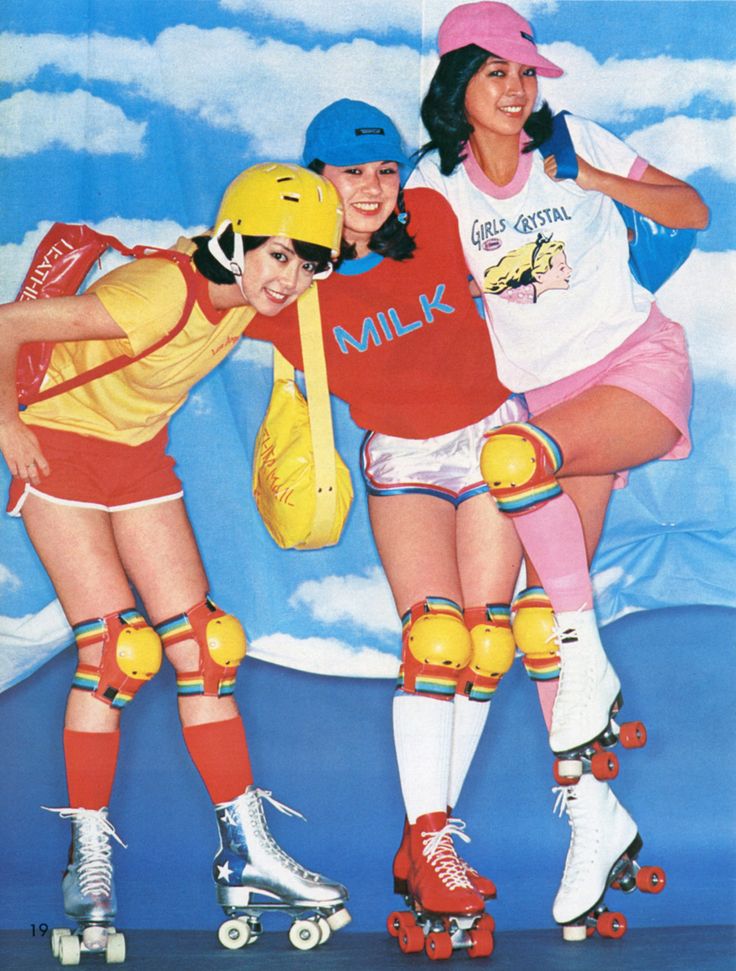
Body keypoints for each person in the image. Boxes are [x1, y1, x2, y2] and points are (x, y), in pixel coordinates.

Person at [409, 0, 708, 936]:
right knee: (508, 627)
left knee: (517, 467)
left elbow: (692, 209)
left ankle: (594, 677)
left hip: (632, 372)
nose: (516, 89)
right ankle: (592, 816)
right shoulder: (436, 186)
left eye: (526, 73)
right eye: (496, 73)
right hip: (536, 405)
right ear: (458, 84)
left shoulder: (577, 139)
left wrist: (601, 181)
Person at [0, 163, 350, 960]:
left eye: (307, 262)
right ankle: (86, 866)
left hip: (135, 456)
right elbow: (6, 323)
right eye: (277, 256)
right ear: (235, 243)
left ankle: (248, 852)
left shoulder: (250, 294)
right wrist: (5, 423)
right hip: (58, 445)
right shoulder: (157, 292)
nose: (289, 278)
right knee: (117, 653)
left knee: (207, 645)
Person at [247, 100, 532, 939]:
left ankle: (425, 846)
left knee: (489, 643)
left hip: (492, 437)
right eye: (349, 173)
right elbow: (191, 296)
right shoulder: (290, 286)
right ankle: (433, 841)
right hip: (405, 462)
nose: (370, 189)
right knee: (436, 638)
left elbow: (519, 279)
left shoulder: (436, 217)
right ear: (317, 179)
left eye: (382, 171)